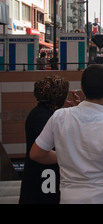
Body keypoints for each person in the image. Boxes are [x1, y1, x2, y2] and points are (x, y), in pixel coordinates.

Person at [30, 64, 103, 204]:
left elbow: (36, 154)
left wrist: (68, 155)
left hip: (68, 199)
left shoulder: (59, 117)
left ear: (82, 89)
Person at [19, 75, 71, 204]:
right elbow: (44, 151)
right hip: (43, 181)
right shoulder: (43, 117)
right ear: (57, 96)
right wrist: (71, 156)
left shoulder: (41, 112)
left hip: (43, 179)